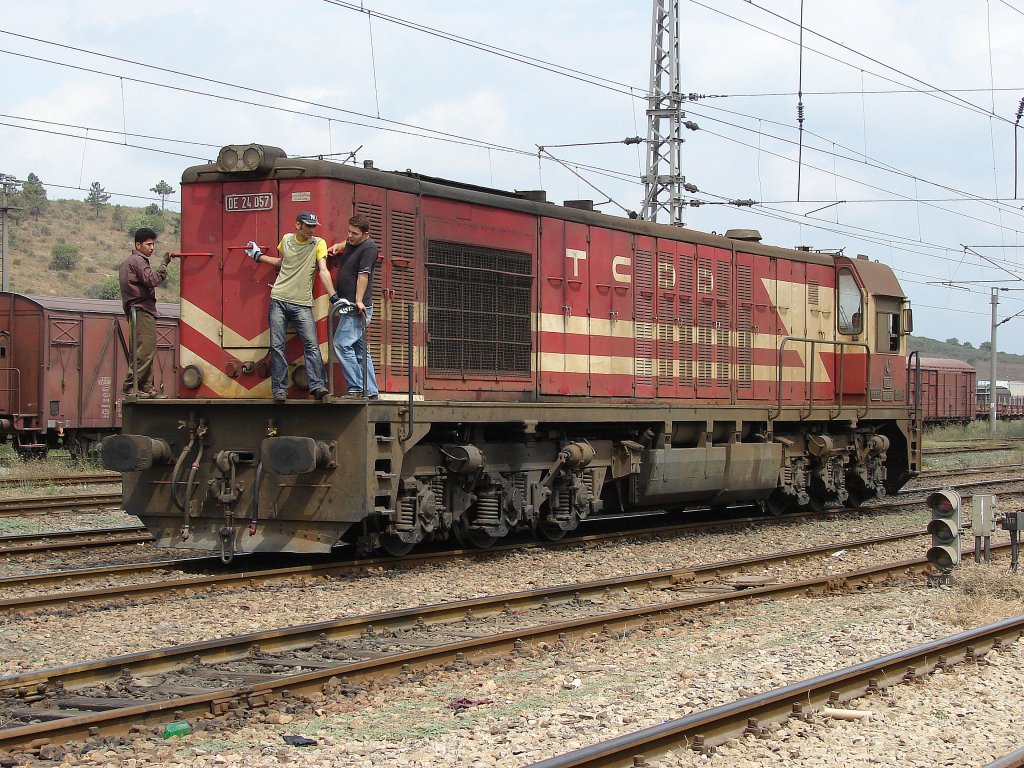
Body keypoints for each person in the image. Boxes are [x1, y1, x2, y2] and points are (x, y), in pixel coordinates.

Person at [246, 210, 334, 402]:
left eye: (314, 226)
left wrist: (333, 296)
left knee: (311, 345)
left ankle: (318, 386)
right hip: (278, 299)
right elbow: (284, 262)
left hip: (302, 303)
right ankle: (280, 390)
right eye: (308, 226)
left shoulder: (318, 244)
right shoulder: (286, 240)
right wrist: (258, 256)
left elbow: (323, 270)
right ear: (298, 225)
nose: (312, 230)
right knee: (277, 346)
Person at [327, 213, 379, 399]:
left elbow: (363, 275)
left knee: (341, 344)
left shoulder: (369, 248)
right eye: (348, 231)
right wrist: (338, 246)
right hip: (349, 306)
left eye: (354, 233)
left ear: (365, 234)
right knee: (359, 350)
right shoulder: (353, 242)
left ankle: (357, 388)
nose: (350, 236)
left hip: (355, 309)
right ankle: (371, 390)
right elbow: (347, 243)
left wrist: (358, 300)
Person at [119, 227, 169, 399]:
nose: (152, 248)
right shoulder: (138, 261)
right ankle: (130, 386)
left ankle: (146, 387)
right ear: (138, 245)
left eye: (153, 244)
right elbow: (151, 280)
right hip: (142, 309)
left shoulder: (129, 262)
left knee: (145, 350)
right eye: (148, 244)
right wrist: (164, 266)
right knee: (144, 351)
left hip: (138, 310)